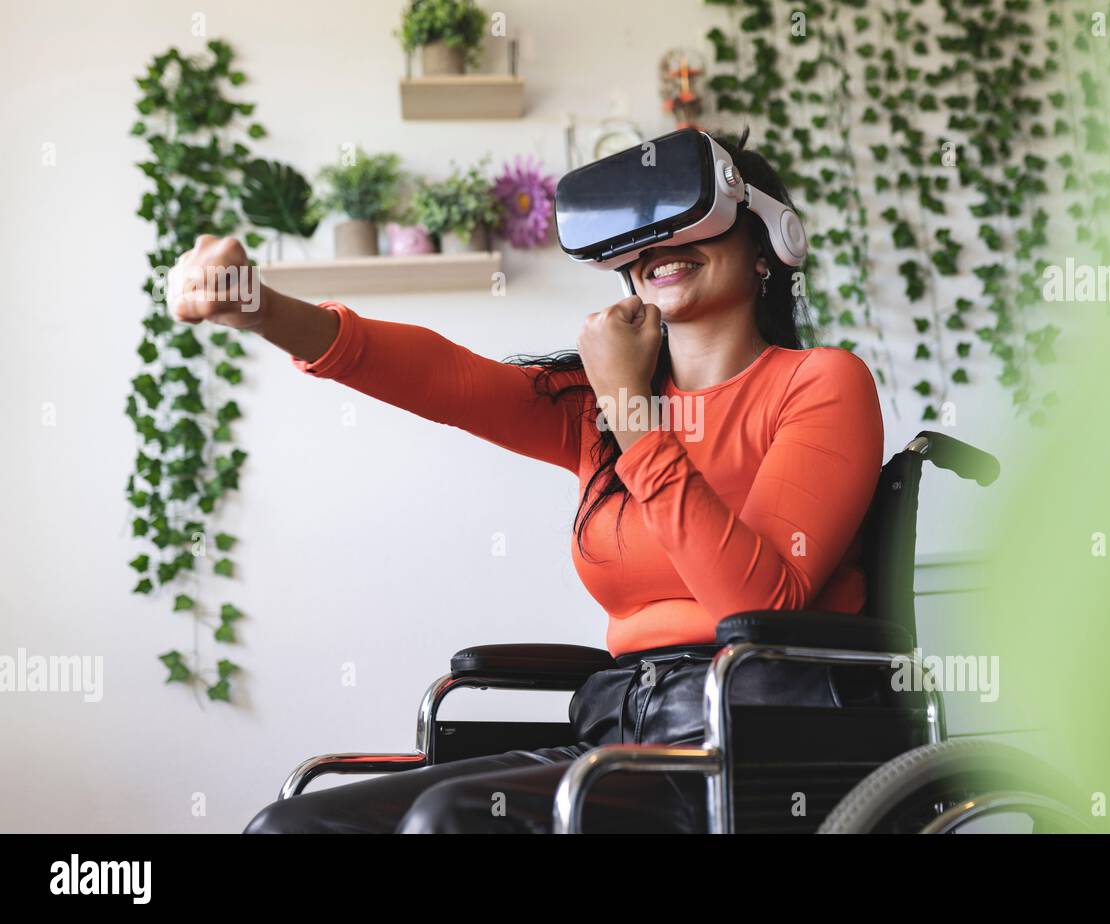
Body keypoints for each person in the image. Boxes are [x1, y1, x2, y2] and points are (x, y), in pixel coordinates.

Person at [169, 132, 884, 833]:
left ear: (767, 242)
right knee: (296, 823)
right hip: (614, 733)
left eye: (689, 221)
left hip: (755, 743)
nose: (661, 246)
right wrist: (263, 309)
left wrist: (628, 409)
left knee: (447, 821)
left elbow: (758, 607)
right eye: (643, 235)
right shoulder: (596, 408)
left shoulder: (820, 382)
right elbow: (444, 378)